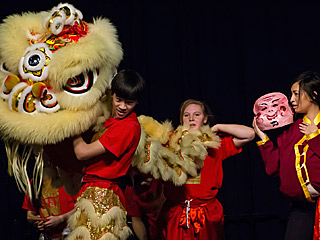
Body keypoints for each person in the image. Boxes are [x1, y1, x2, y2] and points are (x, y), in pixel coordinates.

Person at [159, 99, 255, 240]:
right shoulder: (171, 143)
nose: (191, 118)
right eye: (186, 115)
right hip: (177, 214)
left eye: (197, 114)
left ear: (205, 119)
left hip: (206, 215)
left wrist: (217, 128)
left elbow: (249, 134)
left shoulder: (214, 144)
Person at [67, 69, 145, 240]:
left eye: (129, 103)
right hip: (94, 192)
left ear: (137, 102)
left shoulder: (127, 127)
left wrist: (71, 125)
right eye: (119, 100)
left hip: (101, 196)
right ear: (112, 95)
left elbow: (82, 153)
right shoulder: (114, 121)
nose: (123, 107)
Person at [252, 71, 320, 240]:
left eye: (296, 94)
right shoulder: (290, 132)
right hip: (302, 208)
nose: (291, 100)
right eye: (291, 94)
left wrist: (315, 136)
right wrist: (264, 139)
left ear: (313, 95)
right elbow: (274, 169)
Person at [22, 171, 76, 240]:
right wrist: (37, 222)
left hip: (72, 234)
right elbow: (30, 214)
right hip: (49, 236)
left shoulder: (69, 179)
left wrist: (61, 218)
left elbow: (82, 207)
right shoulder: (35, 182)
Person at [125, 169, 165, 240]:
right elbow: (136, 219)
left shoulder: (163, 181)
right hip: (150, 226)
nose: (143, 183)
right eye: (140, 178)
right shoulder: (131, 190)